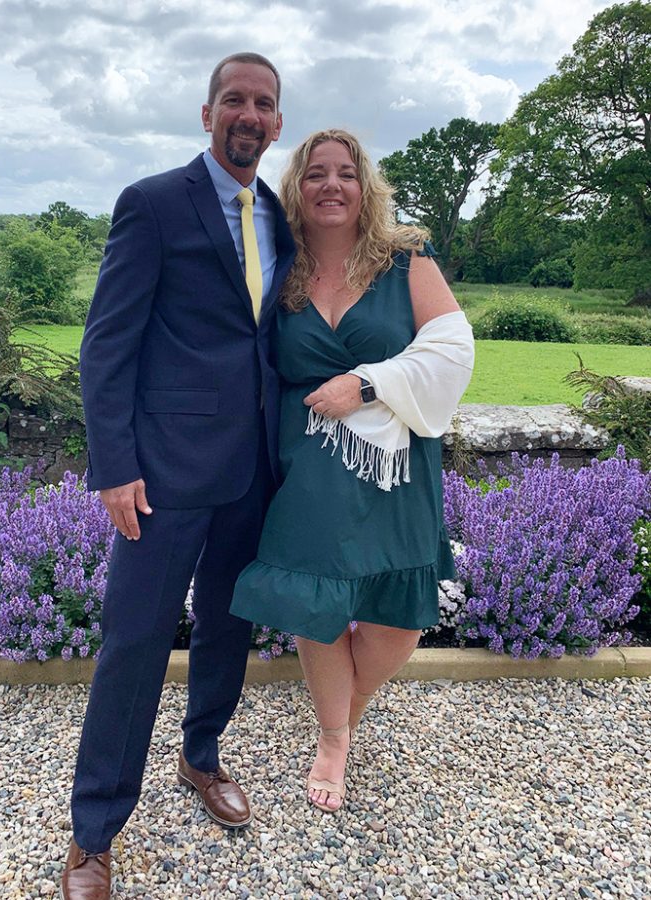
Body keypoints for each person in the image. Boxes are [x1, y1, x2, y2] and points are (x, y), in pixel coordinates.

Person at [62, 53, 295, 899]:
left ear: (277, 123)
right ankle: (93, 833)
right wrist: (115, 467)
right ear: (207, 114)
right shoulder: (154, 202)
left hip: (253, 470)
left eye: (262, 103)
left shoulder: (277, 213)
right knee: (134, 643)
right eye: (233, 99)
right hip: (163, 474)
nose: (248, 114)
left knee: (227, 627)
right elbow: (107, 343)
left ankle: (201, 757)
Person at [230, 129, 474, 813]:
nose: (331, 185)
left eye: (345, 173)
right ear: (296, 187)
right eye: (316, 173)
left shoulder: (405, 258)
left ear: (365, 187)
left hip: (396, 468)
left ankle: (347, 707)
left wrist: (365, 384)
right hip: (307, 463)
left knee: (397, 624)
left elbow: (452, 348)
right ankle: (333, 738)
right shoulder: (278, 266)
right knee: (319, 608)